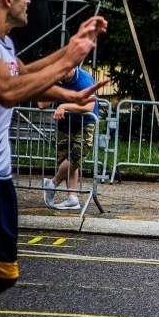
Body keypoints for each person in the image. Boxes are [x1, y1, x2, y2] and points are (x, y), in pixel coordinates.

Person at [0, 0, 108, 295]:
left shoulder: (5, 44)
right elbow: (7, 91)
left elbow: (25, 76)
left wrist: (70, 61)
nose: (28, 0)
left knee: (5, 272)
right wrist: (66, 62)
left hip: (1, 178)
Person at [38, 66, 100, 210]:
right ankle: (72, 197)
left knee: (76, 157)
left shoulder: (84, 79)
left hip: (85, 123)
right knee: (65, 160)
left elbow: (89, 106)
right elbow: (42, 104)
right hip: (65, 124)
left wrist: (64, 106)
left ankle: (52, 184)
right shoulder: (57, 79)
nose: (63, 74)